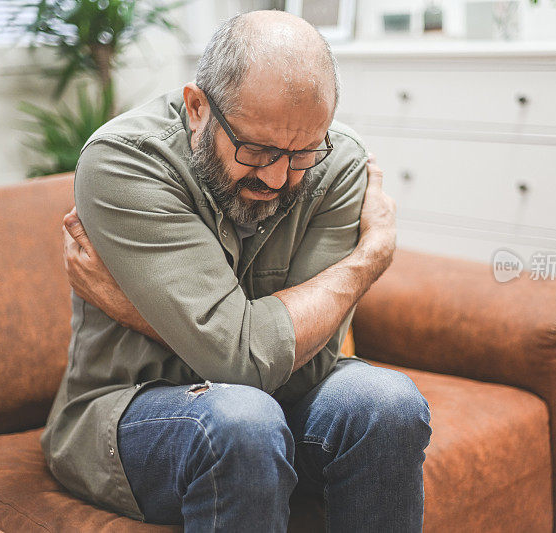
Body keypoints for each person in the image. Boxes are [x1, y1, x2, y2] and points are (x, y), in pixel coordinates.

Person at [41, 10, 432, 532]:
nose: (276, 176)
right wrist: (367, 260)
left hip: (278, 405)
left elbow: (307, 369)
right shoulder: (124, 163)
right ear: (198, 107)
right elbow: (245, 366)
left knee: (389, 405)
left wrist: (364, 264)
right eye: (257, 149)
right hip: (131, 406)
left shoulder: (339, 163)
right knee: (243, 422)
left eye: (300, 155)